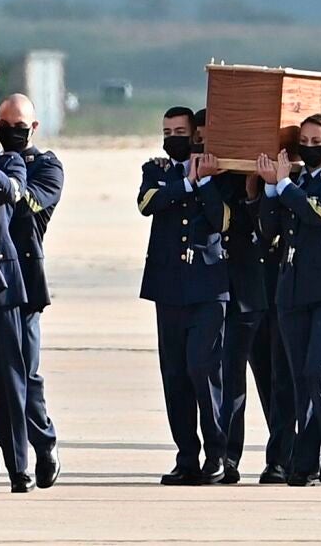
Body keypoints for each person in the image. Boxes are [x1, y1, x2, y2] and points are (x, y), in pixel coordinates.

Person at [257, 115, 321, 486]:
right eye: (304, 140)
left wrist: (283, 184)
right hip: (293, 289)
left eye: (317, 140)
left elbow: (320, 214)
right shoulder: (293, 182)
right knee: (301, 376)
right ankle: (306, 459)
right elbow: (268, 231)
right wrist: (271, 189)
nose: (309, 146)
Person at [138, 107, 230, 485]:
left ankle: (218, 453)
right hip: (168, 286)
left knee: (202, 369)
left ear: (195, 134)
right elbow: (147, 204)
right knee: (174, 374)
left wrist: (204, 182)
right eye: (167, 131)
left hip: (208, 287)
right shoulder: (156, 170)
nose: (172, 138)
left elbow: (223, 221)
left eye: (179, 131)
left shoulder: (219, 172)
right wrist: (188, 183)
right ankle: (187, 457)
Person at [194, 110, 276, 485]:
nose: (203, 145)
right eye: (199, 138)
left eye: (208, 137)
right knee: (228, 377)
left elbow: (233, 221)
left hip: (251, 291)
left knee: (270, 378)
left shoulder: (243, 178)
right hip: (220, 292)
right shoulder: (197, 175)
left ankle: (285, 455)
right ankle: (227, 456)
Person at [0, 93, 64, 488]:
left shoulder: (47, 166)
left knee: (25, 372)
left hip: (23, 281)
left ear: (33, 128)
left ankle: (43, 440)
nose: (11, 132)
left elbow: (26, 204)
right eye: (4, 125)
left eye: (19, 127)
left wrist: (8, 172)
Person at [0, 104, 36, 494]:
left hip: (1, 281)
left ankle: (19, 465)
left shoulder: (9, 161)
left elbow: (15, 192)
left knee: (9, 378)